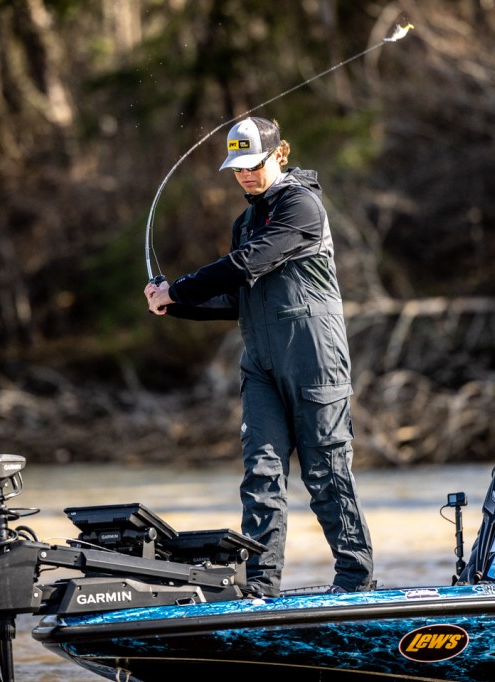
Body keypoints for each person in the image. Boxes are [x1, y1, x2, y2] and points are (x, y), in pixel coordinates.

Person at [143, 116, 374, 597]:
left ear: (280, 153)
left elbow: (248, 262)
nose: (246, 175)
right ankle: (261, 587)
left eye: (254, 164)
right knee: (261, 477)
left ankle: (356, 582)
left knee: (325, 472)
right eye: (238, 168)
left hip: (314, 360)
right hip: (261, 367)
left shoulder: (302, 206)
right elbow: (237, 298)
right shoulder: (245, 223)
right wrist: (173, 305)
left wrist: (178, 287)